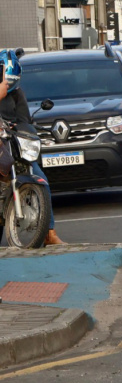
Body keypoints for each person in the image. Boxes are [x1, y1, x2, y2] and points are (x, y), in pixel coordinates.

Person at [0, 58, 65, 245]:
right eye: (5, 79)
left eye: (10, 80)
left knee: (39, 177)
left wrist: (22, 131)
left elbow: (24, 121)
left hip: (13, 147)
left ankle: (49, 233)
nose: (7, 84)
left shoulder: (17, 94)